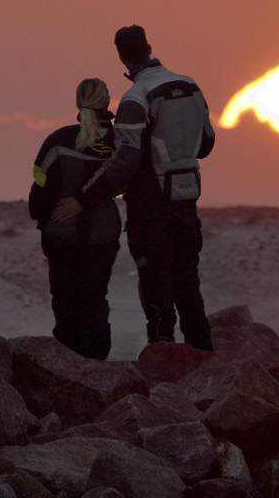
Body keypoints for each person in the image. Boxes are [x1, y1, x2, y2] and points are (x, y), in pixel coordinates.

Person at [51, 25, 216, 350]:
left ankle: (163, 362)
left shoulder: (135, 98)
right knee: (188, 284)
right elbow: (206, 144)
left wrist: (83, 199)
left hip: (149, 206)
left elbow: (125, 162)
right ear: (149, 47)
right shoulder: (192, 87)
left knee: (156, 286)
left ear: (122, 56)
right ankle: (204, 362)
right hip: (187, 200)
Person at [27, 77, 124, 359]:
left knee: (65, 301)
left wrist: (45, 221)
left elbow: (39, 186)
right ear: (107, 103)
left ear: (78, 103)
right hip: (103, 235)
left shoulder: (58, 140)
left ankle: (66, 367)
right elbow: (125, 180)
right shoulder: (120, 142)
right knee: (95, 300)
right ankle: (96, 369)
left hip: (60, 234)